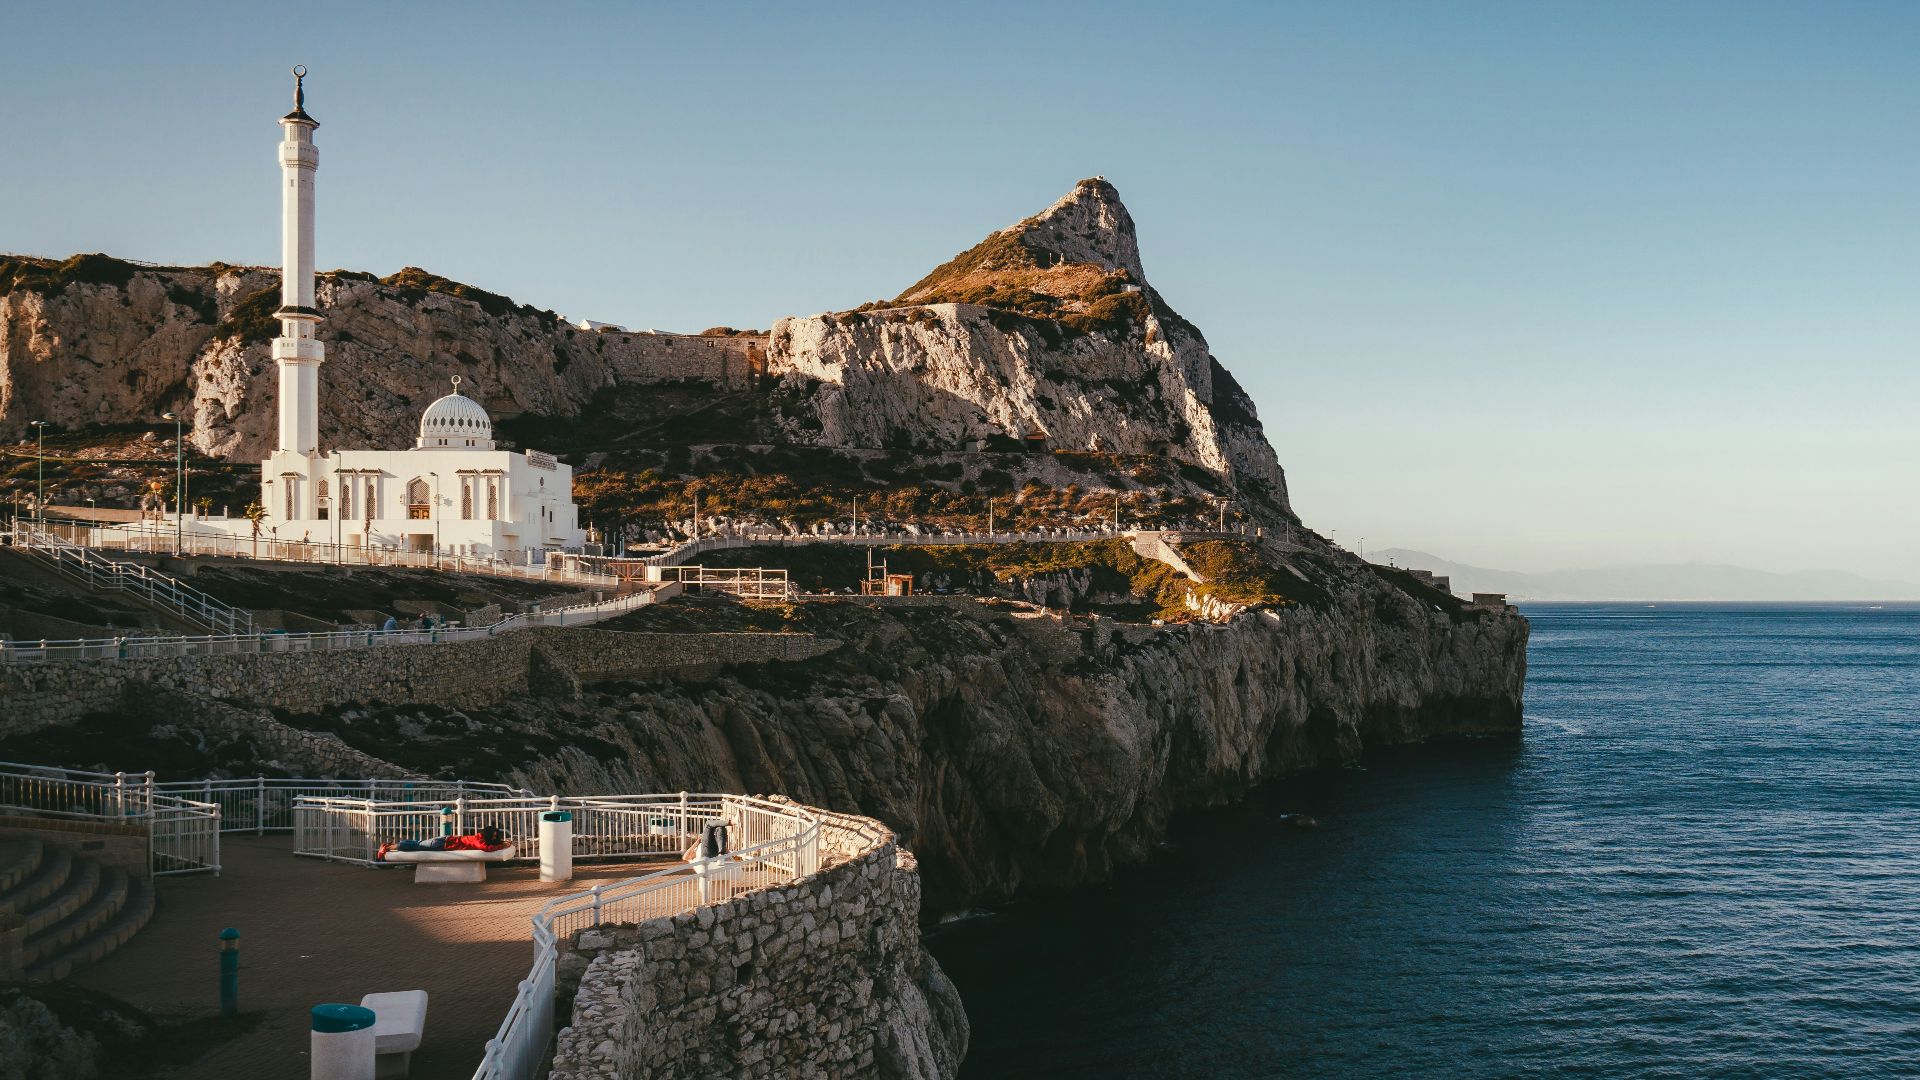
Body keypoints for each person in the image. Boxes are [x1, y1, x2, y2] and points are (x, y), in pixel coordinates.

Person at [376, 824, 507, 861]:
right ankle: (388, 848)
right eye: (494, 835)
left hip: (444, 840)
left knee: (418, 842)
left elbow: (489, 845)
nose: (495, 837)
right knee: (417, 845)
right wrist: (502, 845)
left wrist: (500, 842)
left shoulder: (479, 836)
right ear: (489, 835)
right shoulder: (479, 840)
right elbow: (485, 848)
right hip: (442, 844)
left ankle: (390, 845)